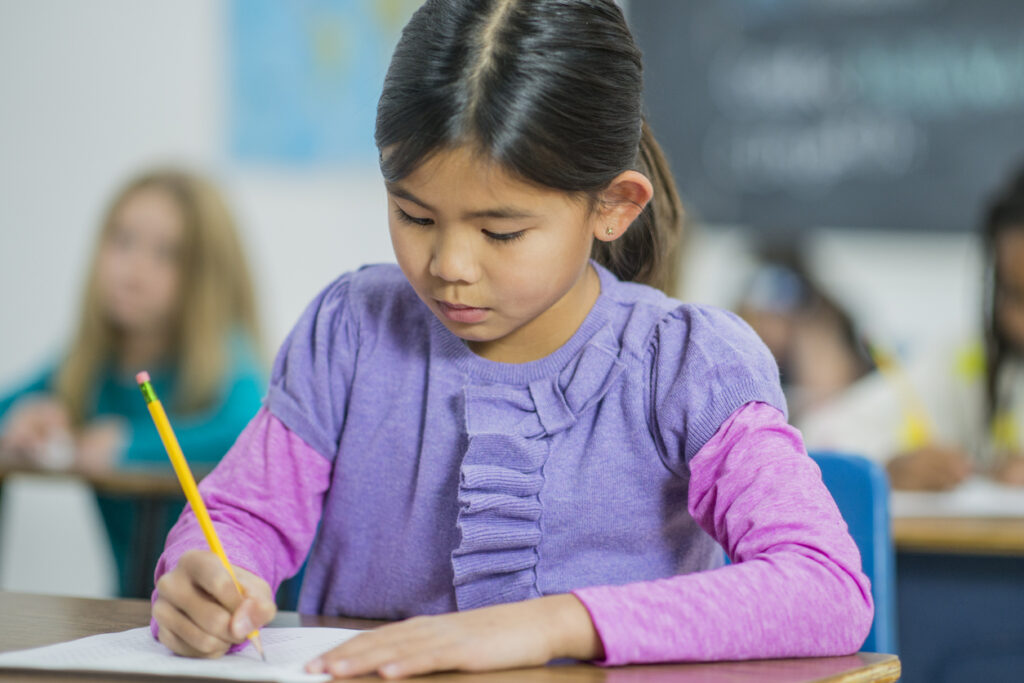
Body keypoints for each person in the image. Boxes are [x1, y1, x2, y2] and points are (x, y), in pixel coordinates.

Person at [150, 1, 872, 677]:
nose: (448, 267)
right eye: (414, 215)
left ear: (613, 207)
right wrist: (207, 576)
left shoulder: (685, 365)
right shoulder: (352, 329)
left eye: (501, 231)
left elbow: (826, 586)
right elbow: (242, 518)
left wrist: (556, 623)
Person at [0, 168, 266, 596]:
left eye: (168, 254)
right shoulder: (87, 365)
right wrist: (21, 422)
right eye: (122, 241)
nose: (134, 268)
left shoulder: (225, 358)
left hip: (225, 607)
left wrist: (126, 447)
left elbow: (248, 431)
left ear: (207, 275)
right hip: (128, 611)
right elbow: (6, 405)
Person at [800, 162, 1024, 490]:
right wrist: (885, 470)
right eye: (1011, 294)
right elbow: (816, 440)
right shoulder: (975, 366)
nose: (1019, 323)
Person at [734, 244, 873, 422]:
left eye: (764, 317)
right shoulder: (748, 337)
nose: (759, 328)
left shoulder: (820, 326)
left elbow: (826, 401)